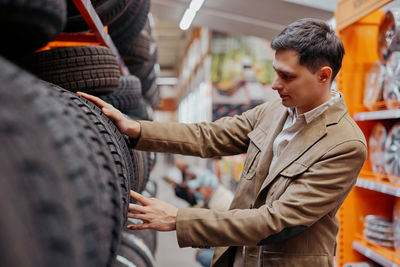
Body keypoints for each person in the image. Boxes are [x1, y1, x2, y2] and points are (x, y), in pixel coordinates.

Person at [78, 18, 367, 267]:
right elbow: (210, 136)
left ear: (323, 76)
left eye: (286, 76)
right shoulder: (274, 111)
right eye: (276, 71)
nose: (274, 84)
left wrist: (180, 219)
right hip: (240, 255)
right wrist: (137, 128)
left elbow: (278, 222)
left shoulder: (344, 145)